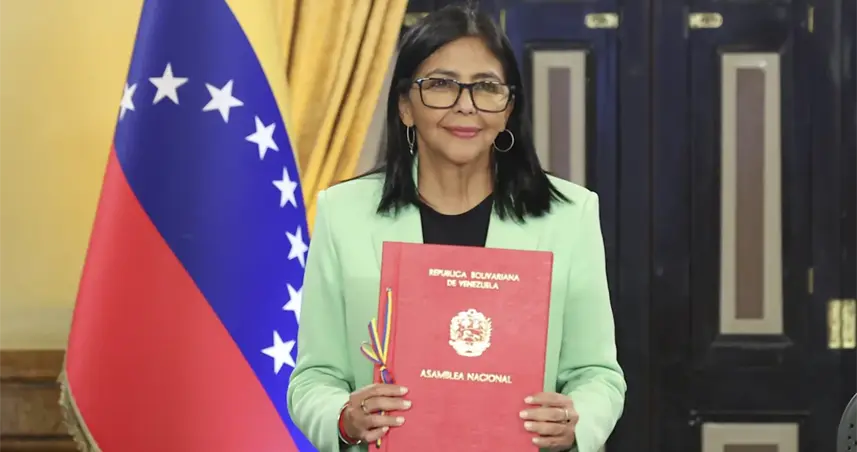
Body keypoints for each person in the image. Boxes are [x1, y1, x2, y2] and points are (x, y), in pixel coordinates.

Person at [287, 5, 626, 451]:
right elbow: (314, 377)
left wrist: (574, 424)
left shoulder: (570, 215)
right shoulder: (343, 213)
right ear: (405, 106)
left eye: (486, 87)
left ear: (508, 109)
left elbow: (597, 374)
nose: (465, 105)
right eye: (441, 85)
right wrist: (344, 418)